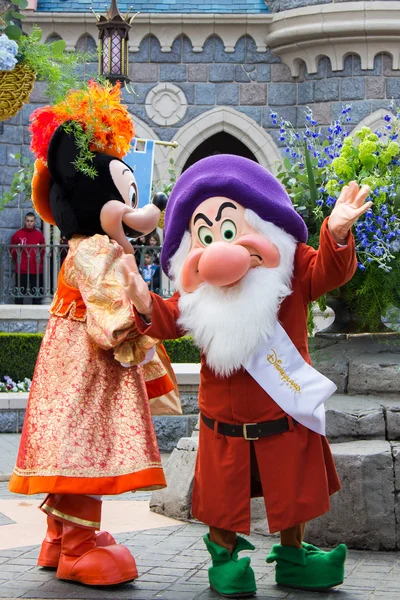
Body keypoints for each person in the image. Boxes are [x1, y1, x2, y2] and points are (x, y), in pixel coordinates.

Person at [120, 155, 372, 596]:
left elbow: (330, 271)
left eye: (231, 229)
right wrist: (145, 304)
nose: (221, 249)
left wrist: (336, 234)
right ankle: (225, 558)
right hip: (225, 422)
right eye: (206, 235)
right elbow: (170, 317)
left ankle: (294, 556)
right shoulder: (199, 297)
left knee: (293, 487)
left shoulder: (292, 269)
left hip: (284, 412)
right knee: (223, 497)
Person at [8, 82, 172, 588]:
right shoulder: (98, 250)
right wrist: (143, 325)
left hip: (64, 369)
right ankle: (78, 548)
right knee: (86, 447)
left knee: (65, 445)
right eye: (123, 200)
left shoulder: (80, 247)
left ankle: (58, 538)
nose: (136, 212)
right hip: (88, 374)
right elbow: (110, 322)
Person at [10, 212, 45, 304]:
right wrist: (19, 261)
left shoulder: (39, 235)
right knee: (19, 293)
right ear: (25, 221)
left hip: (36, 269)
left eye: (31, 221)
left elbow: (43, 251)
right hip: (22, 269)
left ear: (34, 222)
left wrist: (38, 262)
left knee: (36, 293)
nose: (29, 223)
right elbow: (12, 250)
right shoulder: (18, 235)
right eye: (28, 221)